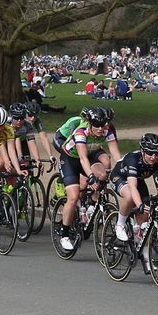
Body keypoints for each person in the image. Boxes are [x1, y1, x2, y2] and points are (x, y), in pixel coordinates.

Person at [56, 107, 121, 251]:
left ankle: (92, 205)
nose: (100, 128)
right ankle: (64, 234)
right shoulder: (81, 132)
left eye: (103, 124)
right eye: (96, 125)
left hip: (90, 155)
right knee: (73, 197)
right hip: (70, 159)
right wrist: (91, 177)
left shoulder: (107, 130)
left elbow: (115, 153)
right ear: (90, 124)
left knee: (104, 174)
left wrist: (123, 168)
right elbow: (83, 159)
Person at [110, 133, 158, 272]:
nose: (153, 157)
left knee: (144, 223)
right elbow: (132, 187)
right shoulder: (133, 159)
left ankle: (146, 257)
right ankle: (120, 224)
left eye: (156, 154)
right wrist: (139, 204)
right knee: (129, 196)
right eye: (150, 153)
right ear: (142, 151)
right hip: (120, 177)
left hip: (137, 180)